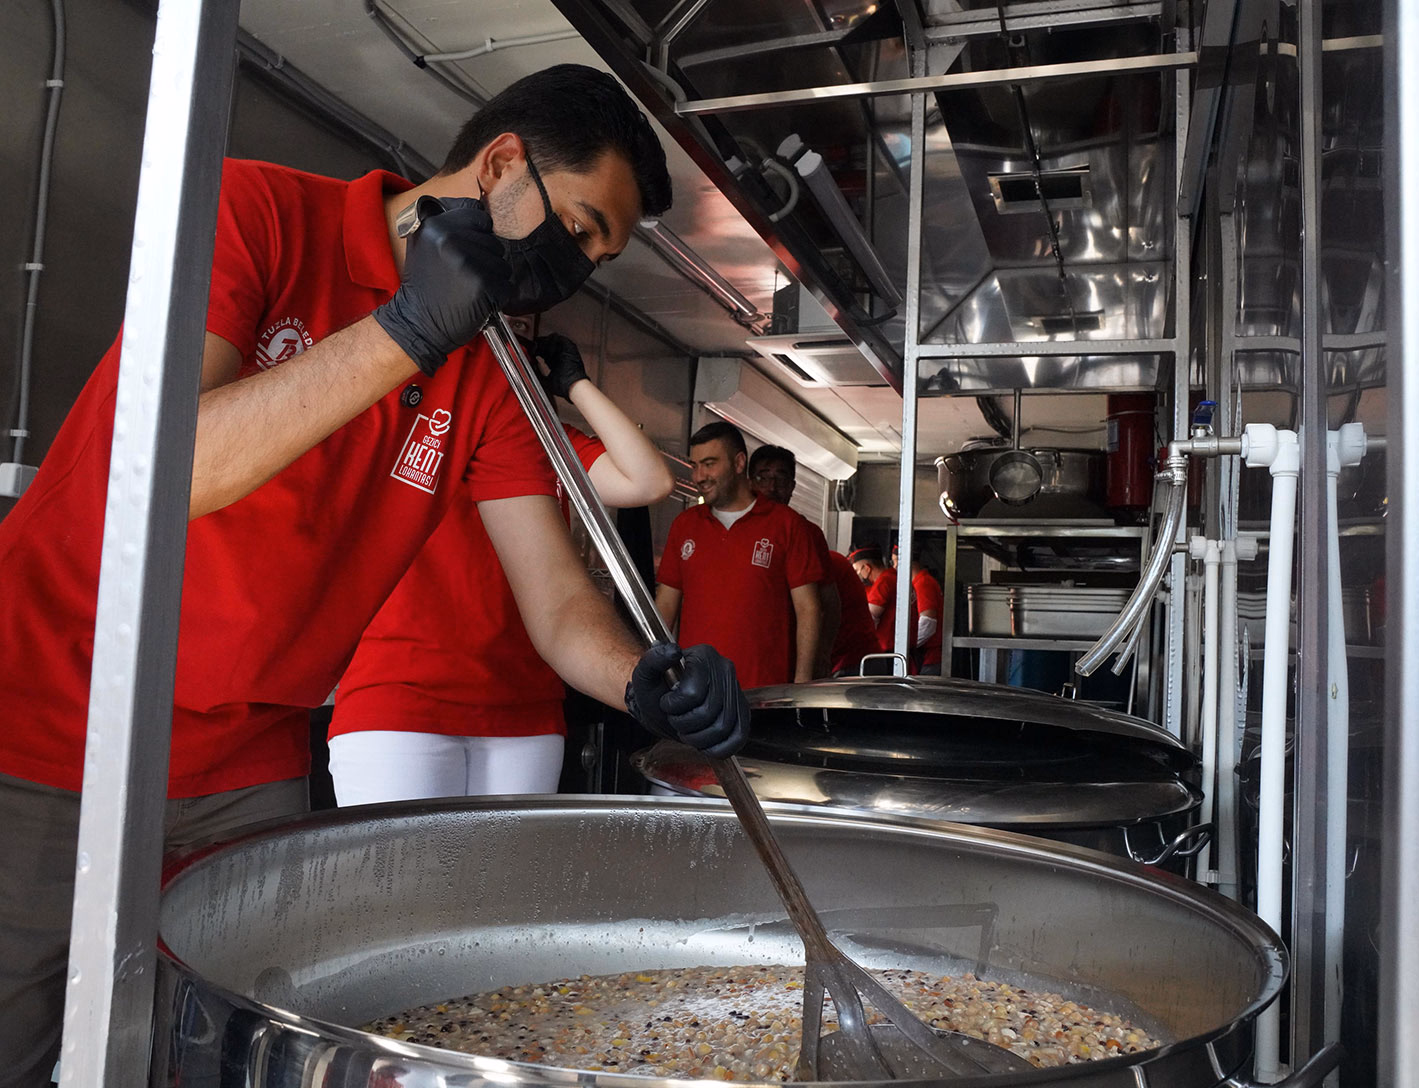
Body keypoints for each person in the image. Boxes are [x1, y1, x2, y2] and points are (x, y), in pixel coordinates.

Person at [0, 64, 747, 1086]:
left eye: (598, 258)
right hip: (49, 710)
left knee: (214, 1044)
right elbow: (172, 464)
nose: (573, 272)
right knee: (20, 1026)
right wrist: (405, 331)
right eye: (576, 230)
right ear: (499, 165)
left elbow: (554, 596)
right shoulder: (256, 213)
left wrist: (639, 678)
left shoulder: (489, 372)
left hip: (247, 755)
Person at [327, 333, 675, 804]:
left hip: (524, 706)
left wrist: (576, 386)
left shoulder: (547, 446)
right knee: (407, 878)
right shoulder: (415, 425)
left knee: (511, 880)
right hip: (399, 696)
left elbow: (648, 480)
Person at [655, 422, 825, 688]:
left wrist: (802, 681)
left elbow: (808, 608)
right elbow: (665, 606)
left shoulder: (787, 524)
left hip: (764, 693)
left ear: (738, 463)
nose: (699, 476)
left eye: (709, 464)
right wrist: (658, 675)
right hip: (696, 691)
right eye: (695, 465)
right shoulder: (685, 525)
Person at [747, 444, 878, 675]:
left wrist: (817, 662)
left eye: (781, 478)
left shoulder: (807, 533)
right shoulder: (737, 531)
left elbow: (826, 605)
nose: (772, 487)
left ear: (792, 487)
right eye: (763, 477)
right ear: (749, 482)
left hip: (794, 662)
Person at [850, 543, 919, 664]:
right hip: (905, 651)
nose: (856, 575)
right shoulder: (896, 577)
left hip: (889, 654)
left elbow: (870, 618)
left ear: (867, 568)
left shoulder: (884, 581)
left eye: (857, 570)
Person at [893, 544, 945, 675]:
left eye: (895, 562)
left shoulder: (923, 583)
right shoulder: (918, 582)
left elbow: (928, 623)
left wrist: (905, 645)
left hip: (929, 659)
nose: (894, 567)